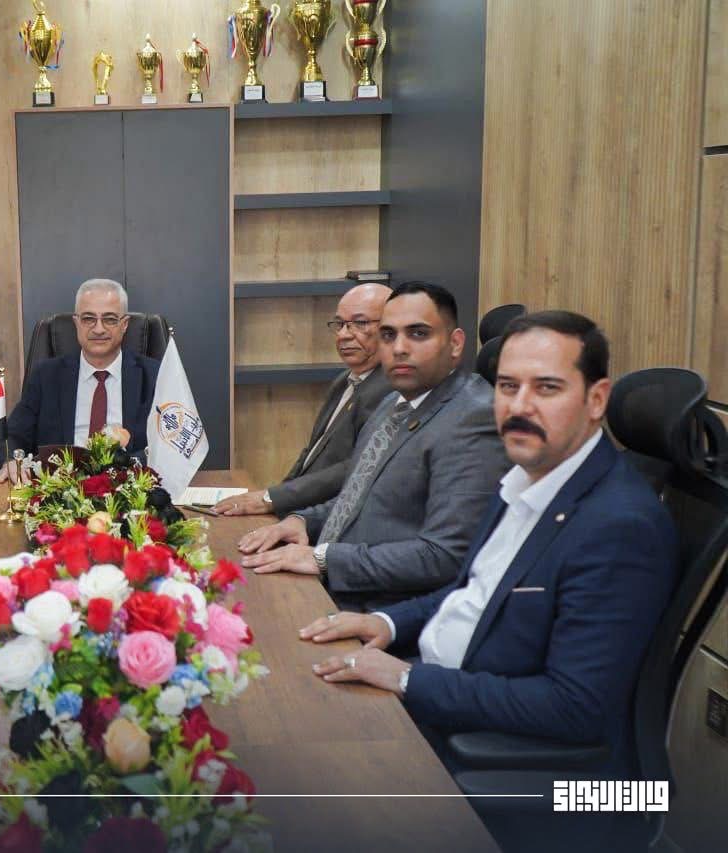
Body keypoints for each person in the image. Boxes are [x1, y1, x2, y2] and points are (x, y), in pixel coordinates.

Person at [299, 311, 677, 780]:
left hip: (519, 765)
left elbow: (573, 707)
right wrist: (387, 622)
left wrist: (406, 678)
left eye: (546, 388)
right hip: (443, 687)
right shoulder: (526, 476)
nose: (520, 406)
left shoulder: (619, 526)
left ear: (596, 399)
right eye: (507, 386)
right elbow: (475, 590)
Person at [238, 281, 507, 611]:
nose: (399, 348)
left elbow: (446, 556)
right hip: (332, 587)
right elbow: (359, 496)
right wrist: (302, 521)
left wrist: (324, 559)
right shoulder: (393, 402)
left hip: (381, 612)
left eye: (418, 333)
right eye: (388, 335)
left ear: (455, 343)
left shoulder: (474, 417)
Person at [215, 283, 393, 517]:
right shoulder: (344, 381)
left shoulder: (391, 390)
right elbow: (311, 454)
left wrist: (273, 499)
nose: (343, 335)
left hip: (334, 519)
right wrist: (273, 498)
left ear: (391, 329)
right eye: (339, 324)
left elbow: (355, 468)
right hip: (300, 509)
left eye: (360, 323)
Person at [1, 278, 160, 482]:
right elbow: (12, 436)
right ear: (76, 323)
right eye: (88, 319)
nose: (99, 329)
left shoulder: (154, 376)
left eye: (110, 319)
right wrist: (12, 460)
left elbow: (172, 445)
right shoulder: (46, 376)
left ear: (125, 324)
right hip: (60, 488)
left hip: (129, 487)